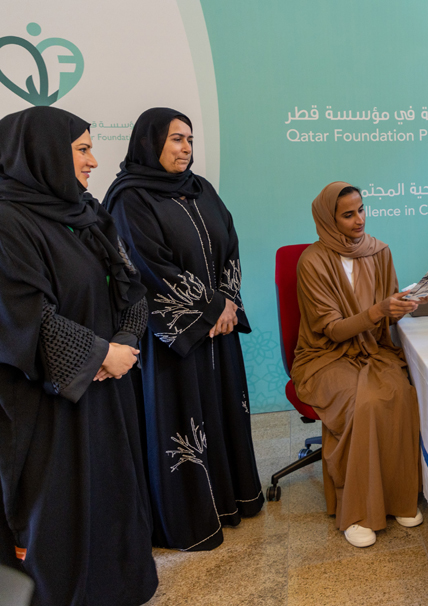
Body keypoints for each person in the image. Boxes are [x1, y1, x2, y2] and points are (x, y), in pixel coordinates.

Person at [0, 106, 158, 605]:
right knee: (61, 503)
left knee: (113, 487)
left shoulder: (86, 211)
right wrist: (97, 357)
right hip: (47, 401)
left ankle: (120, 584)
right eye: (82, 149)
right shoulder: (7, 222)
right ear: (44, 154)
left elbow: (130, 286)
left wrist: (126, 344)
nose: (93, 161)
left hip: (108, 383)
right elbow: (24, 314)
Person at [104, 108, 263, 551]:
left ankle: (234, 500)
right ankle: (191, 519)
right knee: (183, 421)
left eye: (189, 139)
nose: (186, 148)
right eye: (176, 139)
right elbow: (147, 264)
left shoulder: (200, 189)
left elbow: (230, 245)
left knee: (224, 409)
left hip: (219, 329)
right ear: (150, 142)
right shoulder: (128, 198)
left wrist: (228, 304)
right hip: (173, 337)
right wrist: (213, 307)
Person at [291, 182, 427, 548]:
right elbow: (333, 331)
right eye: (348, 214)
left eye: (362, 210)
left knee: (401, 393)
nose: (358, 220)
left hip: (373, 348)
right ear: (328, 218)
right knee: (360, 402)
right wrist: (379, 310)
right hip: (324, 356)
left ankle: (399, 498)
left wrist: (402, 306)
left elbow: (388, 315)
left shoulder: (379, 251)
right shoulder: (312, 261)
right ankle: (357, 510)